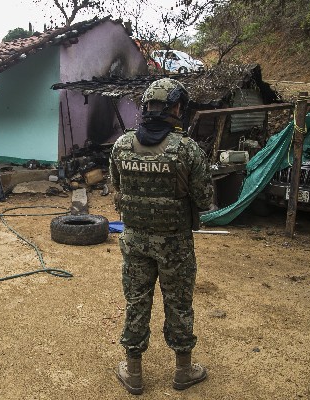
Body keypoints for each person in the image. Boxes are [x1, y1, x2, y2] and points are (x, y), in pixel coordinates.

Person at [109, 78, 214, 395]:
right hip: (175, 245)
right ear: (177, 109)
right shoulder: (188, 151)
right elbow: (205, 199)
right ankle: (183, 371)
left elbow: (118, 191)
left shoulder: (121, 146)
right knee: (179, 305)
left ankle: (134, 372)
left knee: (136, 303)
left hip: (135, 241)